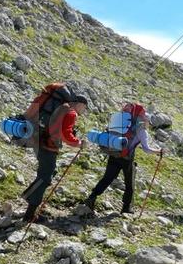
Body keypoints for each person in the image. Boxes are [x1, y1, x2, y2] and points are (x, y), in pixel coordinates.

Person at [84, 103, 161, 214]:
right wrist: (159, 152)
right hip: (127, 159)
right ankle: (126, 208)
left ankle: (92, 197)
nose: (148, 124)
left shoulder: (121, 124)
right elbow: (146, 149)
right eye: (148, 121)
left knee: (107, 178)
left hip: (114, 153)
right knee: (129, 183)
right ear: (144, 119)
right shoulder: (141, 131)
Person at [21, 94, 87, 222]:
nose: (84, 111)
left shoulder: (62, 108)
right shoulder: (71, 112)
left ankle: (29, 197)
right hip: (49, 147)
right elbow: (66, 135)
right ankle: (29, 215)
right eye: (84, 108)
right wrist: (79, 143)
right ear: (80, 104)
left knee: (48, 174)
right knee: (45, 178)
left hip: (39, 142)